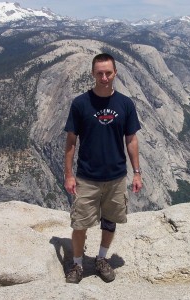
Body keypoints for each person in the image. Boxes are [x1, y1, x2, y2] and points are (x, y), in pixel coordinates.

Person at [63, 53, 143, 284]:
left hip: (116, 177)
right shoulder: (80, 104)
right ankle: (77, 264)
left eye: (108, 73)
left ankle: (101, 258)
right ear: (92, 74)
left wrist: (137, 172)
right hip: (87, 177)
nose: (104, 77)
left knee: (110, 221)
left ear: (115, 73)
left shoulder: (125, 104)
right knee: (80, 224)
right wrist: (69, 175)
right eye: (100, 73)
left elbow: (131, 140)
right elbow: (70, 142)